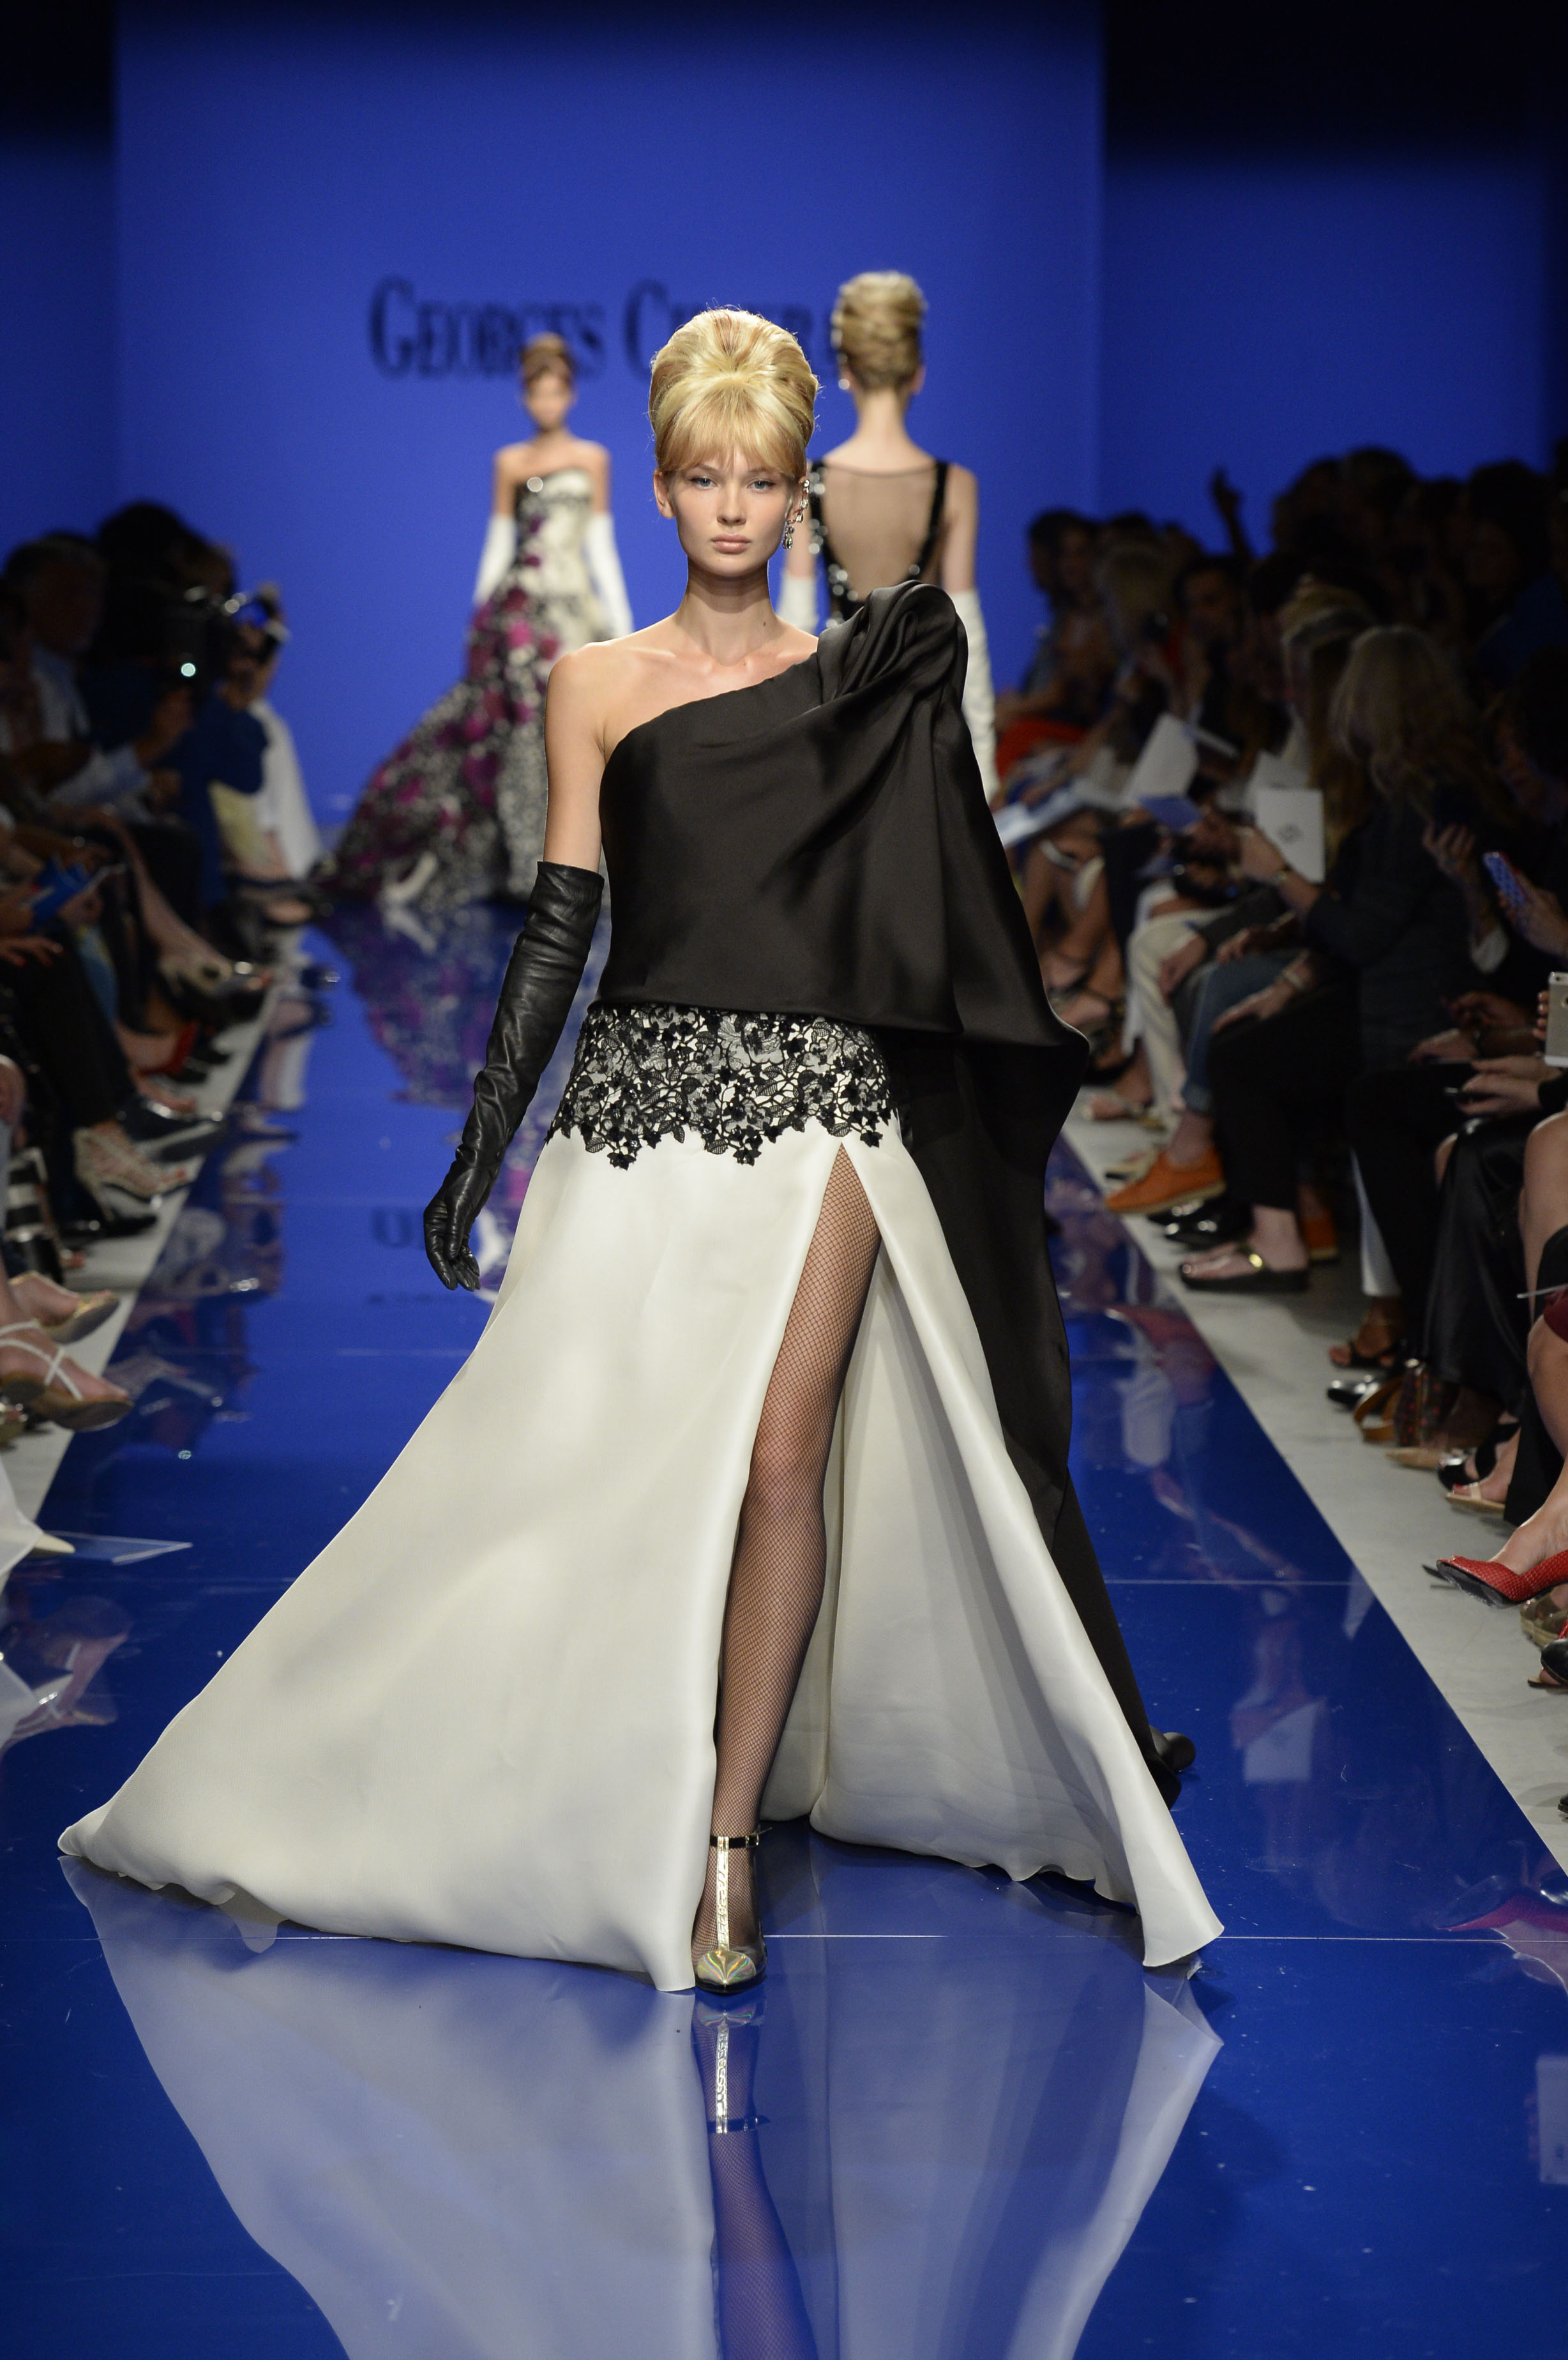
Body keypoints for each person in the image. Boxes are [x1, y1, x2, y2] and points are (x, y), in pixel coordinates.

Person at [61, 309, 1218, 1996]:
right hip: (635, 1112)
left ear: (796, 493)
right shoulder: (591, 683)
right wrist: (484, 1137)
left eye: (760, 478)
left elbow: (941, 906)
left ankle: (726, 1836)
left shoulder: (865, 681)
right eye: (703, 476)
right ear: (661, 490)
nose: (732, 506)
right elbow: (561, 922)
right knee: (570, 1460)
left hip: (828, 1112)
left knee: (777, 1459)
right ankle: (538, 1772)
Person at [324, 332, 633, 909]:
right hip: (521, 615)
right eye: (537, 393)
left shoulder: (594, 459)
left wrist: (620, 620)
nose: (547, 403)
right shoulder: (510, 463)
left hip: (573, 613)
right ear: (524, 398)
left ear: (571, 395)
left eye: (556, 392)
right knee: (523, 733)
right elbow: (498, 543)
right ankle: (527, 864)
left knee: (576, 728)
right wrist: (479, 614)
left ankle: (577, 861)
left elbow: (601, 545)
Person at [780, 271, 1000, 796]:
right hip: (921, 716)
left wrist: (784, 745)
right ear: (917, 374)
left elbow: (794, 619)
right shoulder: (955, 486)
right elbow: (966, 626)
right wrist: (985, 762)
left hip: (837, 716)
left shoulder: (809, 480)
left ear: (845, 371)